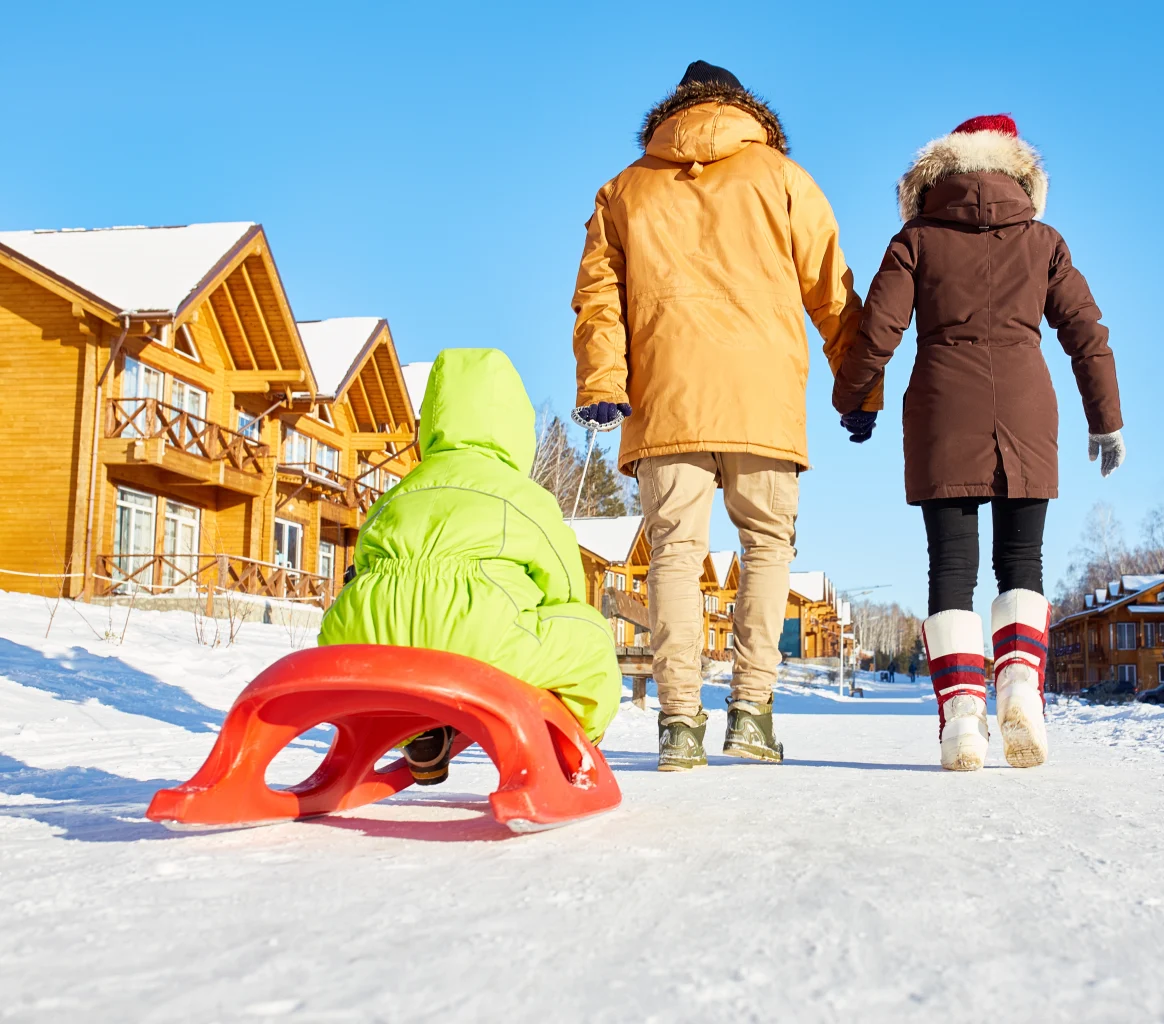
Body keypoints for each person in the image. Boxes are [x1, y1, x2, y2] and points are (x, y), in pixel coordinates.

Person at [571, 60, 872, 771]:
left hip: (666, 400)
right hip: (762, 399)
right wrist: (857, 388)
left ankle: (678, 724)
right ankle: (752, 714)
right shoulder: (784, 181)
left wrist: (603, 382)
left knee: (674, 555)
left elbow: (598, 299)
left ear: (673, 110)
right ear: (746, 109)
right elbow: (833, 293)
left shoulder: (624, 189)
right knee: (768, 548)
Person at [832, 115, 1124, 772]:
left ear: (939, 172)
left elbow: (877, 330)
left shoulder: (917, 239)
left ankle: (962, 717)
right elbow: (1086, 332)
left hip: (942, 408)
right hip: (1027, 406)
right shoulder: (1043, 240)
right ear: (1019, 172)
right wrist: (1105, 418)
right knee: (1023, 560)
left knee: (951, 569)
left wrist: (854, 399)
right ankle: (1019, 683)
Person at [318, 349, 621, 785]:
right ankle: (573, 746)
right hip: (481, 640)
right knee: (590, 636)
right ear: (515, 427)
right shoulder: (523, 496)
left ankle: (423, 734)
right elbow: (565, 587)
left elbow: (362, 562)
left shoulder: (398, 492)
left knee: (412, 630)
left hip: (368, 636)